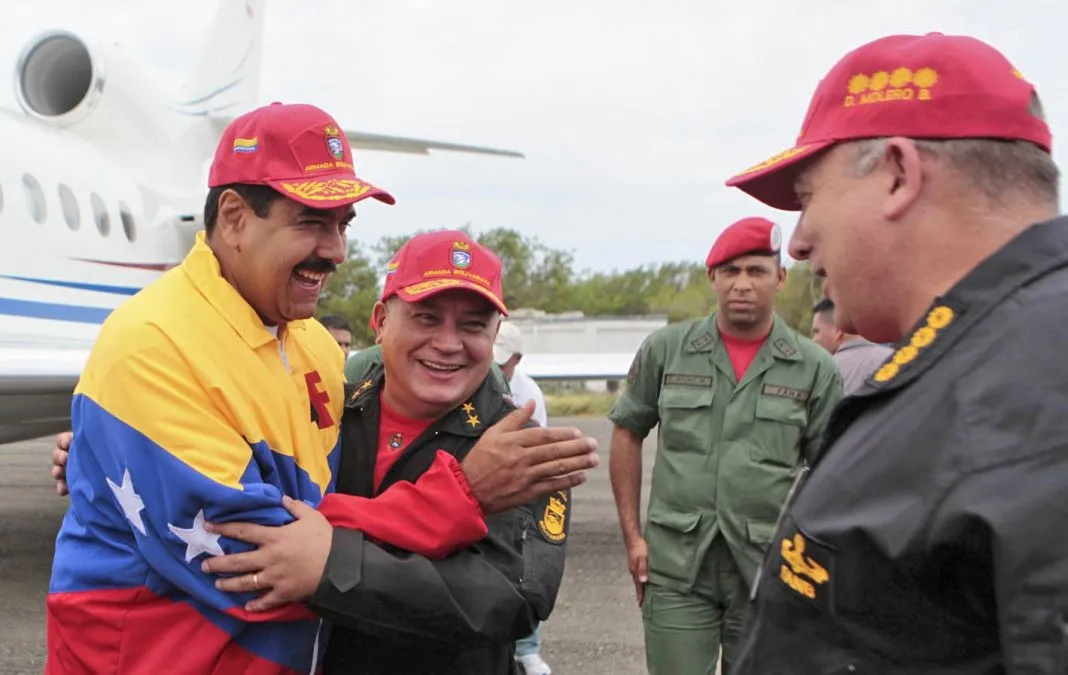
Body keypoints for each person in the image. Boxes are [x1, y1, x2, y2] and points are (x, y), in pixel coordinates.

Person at [45, 104, 597, 675]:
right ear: (232, 218)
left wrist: (95, 453)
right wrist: (458, 495)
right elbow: (260, 562)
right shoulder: (155, 344)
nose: (335, 250)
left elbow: (507, 596)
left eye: (343, 225)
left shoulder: (317, 350)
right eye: (312, 221)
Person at [723, 32, 1068, 673]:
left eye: (807, 199)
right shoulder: (985, 363)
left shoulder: (1034, 389)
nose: (796, 244)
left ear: (897, 175)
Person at [201, 229, 585, 674]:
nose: (447, 342)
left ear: (496, 333)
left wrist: (331, 567)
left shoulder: (518, 443)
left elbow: (504, 598)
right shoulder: (325, 413)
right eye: (426, 317)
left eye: (473, 325)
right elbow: (259, 529)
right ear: (381, 321)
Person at [606, 216, 843, 675]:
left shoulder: (814, 368)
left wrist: (815, 559)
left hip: (766, 570)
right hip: (677, 566)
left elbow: (832, 472)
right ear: (712, 277)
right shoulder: (666, 350)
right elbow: (627, 431)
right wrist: (633, 537)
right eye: (730, 271)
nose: (742, 284)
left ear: (779, 279)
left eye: (756, 271)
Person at [494, 320, 552, 675]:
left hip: (517, 491)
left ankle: (528, 649)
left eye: (502, 361)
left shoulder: (530, 394)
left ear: (517, 358)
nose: (494, 366)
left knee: (522, 570)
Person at [810, 297, 892, 395]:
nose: (813, 340)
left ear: (837, 331)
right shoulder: (893, 358)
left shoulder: (824, 374)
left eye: (817, 331)